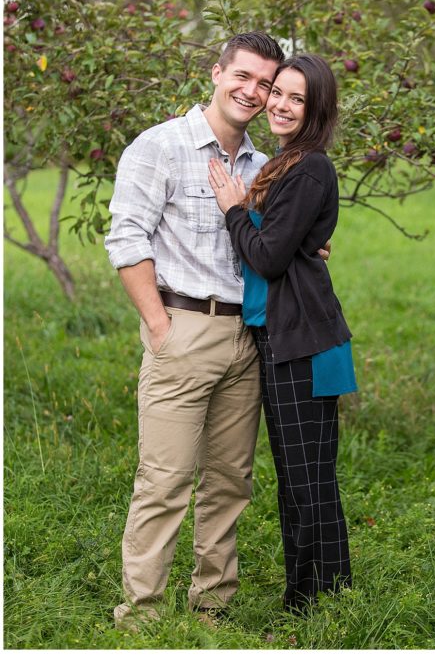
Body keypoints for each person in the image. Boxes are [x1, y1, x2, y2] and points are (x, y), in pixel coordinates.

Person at [104, 31, 285, 629]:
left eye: (266, 83)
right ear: (216, 72)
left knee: (231, 481)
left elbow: (263, 248)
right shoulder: (162, 146)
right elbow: (127, 236)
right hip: (183, 326)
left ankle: (213, 607)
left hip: (246, 339)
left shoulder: (263, 167)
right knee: (165, 478)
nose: (253, 92)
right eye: (244, 77)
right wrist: (158, 324)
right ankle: (142, 613)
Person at [208, 53, 356, 613]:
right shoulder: (286, 163)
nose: (281, 104)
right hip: (285, 336)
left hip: (306, 343)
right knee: (304, 476)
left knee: (305, 479)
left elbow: (267, 258)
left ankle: (310, 600)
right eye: (279, 93)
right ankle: (328, 591)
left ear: (316, 110)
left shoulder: (311, 166)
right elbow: (287, 245)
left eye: (298, 98)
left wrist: (233, 210)